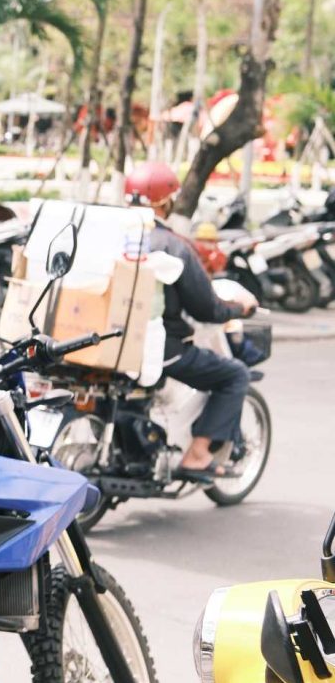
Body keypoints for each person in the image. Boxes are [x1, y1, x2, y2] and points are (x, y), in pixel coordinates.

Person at [126, 161, 258, 482]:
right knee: (235, 375)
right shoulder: (173, 245)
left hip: (103, 343)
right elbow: (206, 309)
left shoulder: (113, 233)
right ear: (164, 202)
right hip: (158, 348)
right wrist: (239, 309)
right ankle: (198, 454)